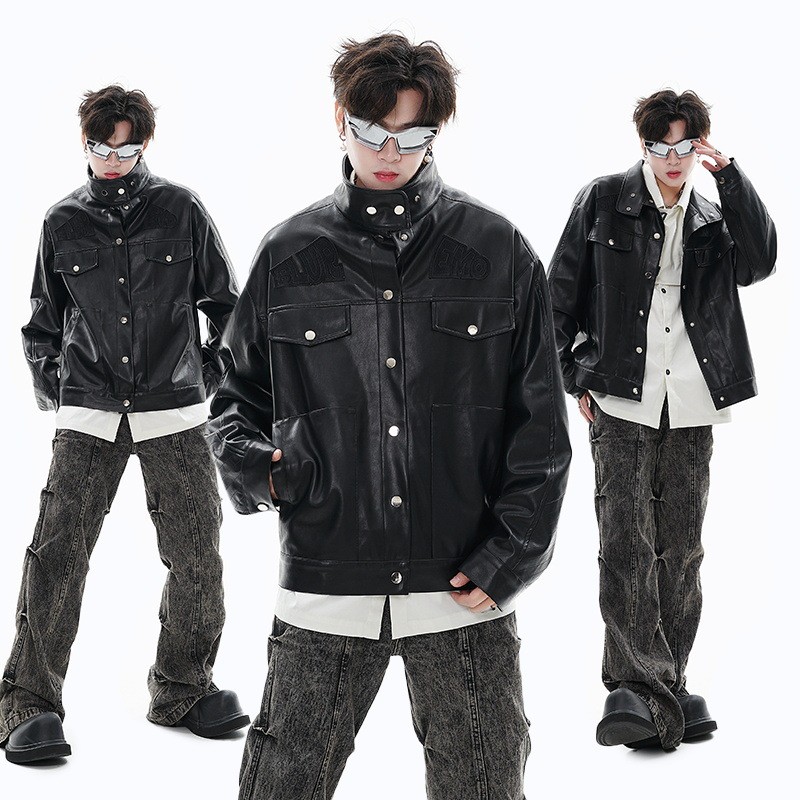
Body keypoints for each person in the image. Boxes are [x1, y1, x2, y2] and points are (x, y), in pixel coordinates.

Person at [209, 33, 571, 799]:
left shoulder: (497, 251)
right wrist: (258, 469)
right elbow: (234, 397)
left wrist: (510, 557)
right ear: (339, 119)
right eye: (372, 131)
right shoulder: (289, 254)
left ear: (437, 133)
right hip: (326, 579)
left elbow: (540, 428)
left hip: (461, 586)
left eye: (411, 136)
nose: (388, 153)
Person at [0, 85, 249, 765]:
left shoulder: (181, 209)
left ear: (145, 144)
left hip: (175, 409)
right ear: (84, 143)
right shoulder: (62, 222)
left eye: (126, 148)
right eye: (101, 147)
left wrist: (203, 377)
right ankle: (27, 703)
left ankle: (183, 688)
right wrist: (64, 390)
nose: (113, 159)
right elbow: (41, 324)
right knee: (58, 552)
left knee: (196, 553)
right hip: (89, 410)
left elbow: (229, 309)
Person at [547, 89, 777, 750]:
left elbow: (760, 262)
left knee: (681, 545)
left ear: (699, 146)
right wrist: (573, 377)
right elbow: (557, 296)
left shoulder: (712, 213)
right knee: (626, 538)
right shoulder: (603, 200)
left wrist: (730, 178)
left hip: (695, 397)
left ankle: (667, 685)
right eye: (659, 146)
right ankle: (636, 685)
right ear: (642, 145)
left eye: (684, 147)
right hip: (621, 395)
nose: (672, 159)